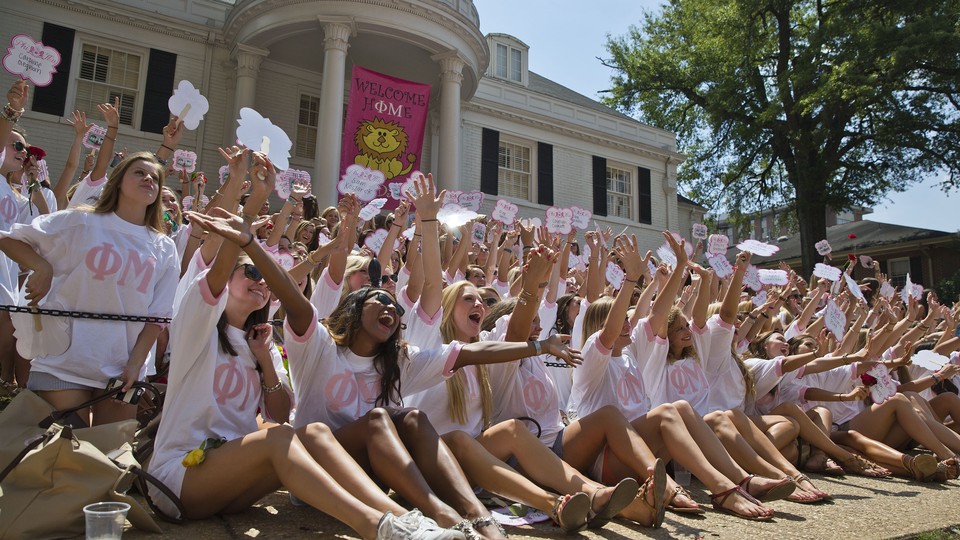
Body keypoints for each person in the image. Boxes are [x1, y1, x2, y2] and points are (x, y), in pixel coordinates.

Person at [152, 151, 462, 539]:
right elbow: (217, 274)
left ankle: (406, 520)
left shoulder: (259, 342)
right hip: (180, 478)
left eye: (266, 278)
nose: (262, 282)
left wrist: (265, 361)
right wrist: (250, 204)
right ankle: (382, 528)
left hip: (234, 480)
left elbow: (280, 412)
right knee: (282, 438)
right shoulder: (195, 324)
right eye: (250, 271)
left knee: (303, 433)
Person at [0, 149, 179, 425]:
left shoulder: (164, 247)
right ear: (118, 180)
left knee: (109, 458)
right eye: (139, 173)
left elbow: (158, 316)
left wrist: (136, 364)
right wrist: (42, 267)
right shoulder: (81, 221)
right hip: (63, 363)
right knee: (59, 456)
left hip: (123, 373)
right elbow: (10, 239)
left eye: (155, 177)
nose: (148, 179)